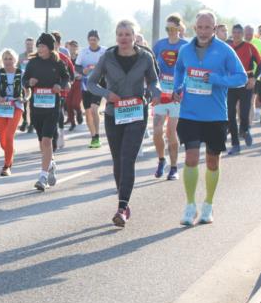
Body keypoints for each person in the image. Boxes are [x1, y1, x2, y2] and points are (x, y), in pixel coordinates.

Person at [173, 10, 248, 226]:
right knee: (191, 157)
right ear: (195, 28)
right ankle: (189, 206)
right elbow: (179, 70)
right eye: (200, 27)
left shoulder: (225, 51)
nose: (204, 31)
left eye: (208, 28)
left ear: (214, 29)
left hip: (215, 115)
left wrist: (216, 78)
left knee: (213, 162)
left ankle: (208, 204)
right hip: (189, 113)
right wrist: (178, 88)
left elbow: (241, 78)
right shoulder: (185, 50)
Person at [86, 20, 160, 226]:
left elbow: (154, 80)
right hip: (113, 114)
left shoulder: (145, 57)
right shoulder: (107, 57)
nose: (124, 38)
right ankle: (124, 202)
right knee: (118, 160)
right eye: (120, 34)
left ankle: (121, 207)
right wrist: (106, 93)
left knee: (128, 158)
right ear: (116, 36)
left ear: (135, 36)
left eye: (128, 34)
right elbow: (90, 83)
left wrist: (155, 91)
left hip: (137, 112)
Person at [24, 32, 71, 191]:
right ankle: (50, 164)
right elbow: (24, 79)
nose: (40, 48)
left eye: (43, 46)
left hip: (52, 107)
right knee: (41, 143)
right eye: (39, 46)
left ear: (50, 48)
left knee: (47, 141)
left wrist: (60, 85)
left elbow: (66, 78)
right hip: (36, 108)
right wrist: (29, 82)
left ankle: (42, 177)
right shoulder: (33, 63)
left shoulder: (57, 63)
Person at [152, 14, 187, 180]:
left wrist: (182, 89)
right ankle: (161, 159)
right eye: (167, 29)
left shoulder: (186, 46)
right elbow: (150, 67)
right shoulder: (159, 45)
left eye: (173, 28)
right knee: (157, 131)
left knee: (171, 132)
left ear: (179, 28)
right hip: (161, 92)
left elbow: (191, 69)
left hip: (176, 94)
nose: (170, 32)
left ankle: (174, 168)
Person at [0, 49, 27, 176]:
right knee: (3, 140)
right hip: (1, 107)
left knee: (9, 136)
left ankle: (6, 166)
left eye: (10, 59)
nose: (8, 61)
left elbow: (28, 91)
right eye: (5, 59)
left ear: (15, 60)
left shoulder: (22, 73)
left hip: (16, 106)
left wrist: (24, 98)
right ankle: (10, 151)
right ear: (2, 60)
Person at [226, 24, 261, 155]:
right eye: (234, 32)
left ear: (242, 34)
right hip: (231, 83)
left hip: (246, 81)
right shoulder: (228, 47)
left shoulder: (249, 47)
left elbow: (260, 64)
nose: (236, 35)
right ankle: (235, 144)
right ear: (232, 33)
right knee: (230, 113)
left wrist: (254, 78)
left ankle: (245, 130)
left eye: (238, 32)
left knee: (244, 111)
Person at [75, 29, 107, 149]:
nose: (92, 42)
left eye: (94, 39)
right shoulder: (83, 52)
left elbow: (110, 64)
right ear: (88, 40)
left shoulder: (104, 51)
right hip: (85, 84)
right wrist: (83, 71)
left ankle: (97, 135)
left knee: (94, 109)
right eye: (90, 39)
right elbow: (77, 66)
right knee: (88, 111)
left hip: (99, 84)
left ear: (98, 40)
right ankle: (93, 136)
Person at [65, 39, 84, 129]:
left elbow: (85, 70)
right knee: (68, 104)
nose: (73, 48)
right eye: (71, 46)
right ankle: (72, 123)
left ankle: (79, 112)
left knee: (75, 104)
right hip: (69, 83)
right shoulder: (66, 58)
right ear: (69, 47)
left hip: (78, 82)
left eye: (75, 46)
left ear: (77, 48)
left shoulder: (80, 58)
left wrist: (82, 75)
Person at [19, 37, 36, 133]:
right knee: (24, 103)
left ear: (33, 45)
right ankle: (25, 121)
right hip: (23, 82)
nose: (29, 46)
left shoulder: (36, 56)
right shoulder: (21, 56)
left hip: (34, 83)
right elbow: (16, 68)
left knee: (32, 105)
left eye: (30, 44)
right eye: (27, 44)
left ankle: (32, 124)